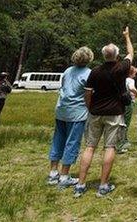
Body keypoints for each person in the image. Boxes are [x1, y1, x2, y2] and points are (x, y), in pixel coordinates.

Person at [74, 27, 134, 198]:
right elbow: (131, 52)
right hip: (114, 113)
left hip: (96, 112)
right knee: (109, 147)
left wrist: (89, 107)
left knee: (90, 147)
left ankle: (80, 184)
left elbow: (87, 92)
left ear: (103, 55)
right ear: (116, 55)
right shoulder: (121, 68)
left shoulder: (95, 71)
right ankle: (103, 186)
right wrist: (127, 36)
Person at [47, 47, 94, 188]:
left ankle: (53, 173)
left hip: (61, 109)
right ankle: (64, 175)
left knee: (58, 140)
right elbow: (89, 94)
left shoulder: (67, 71)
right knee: (72, 142)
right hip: (77, 113)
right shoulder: (88, 74)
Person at [117, 66, 137, 154]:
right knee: (126, 123)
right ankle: (122, 144)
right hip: (128, 103)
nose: (135, 75)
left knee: (121, 122)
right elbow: (131, 88)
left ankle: (123, 140)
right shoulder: (130, 80)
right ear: (131, 73)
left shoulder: (123, 79)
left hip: (121, 103)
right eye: (134, 73)